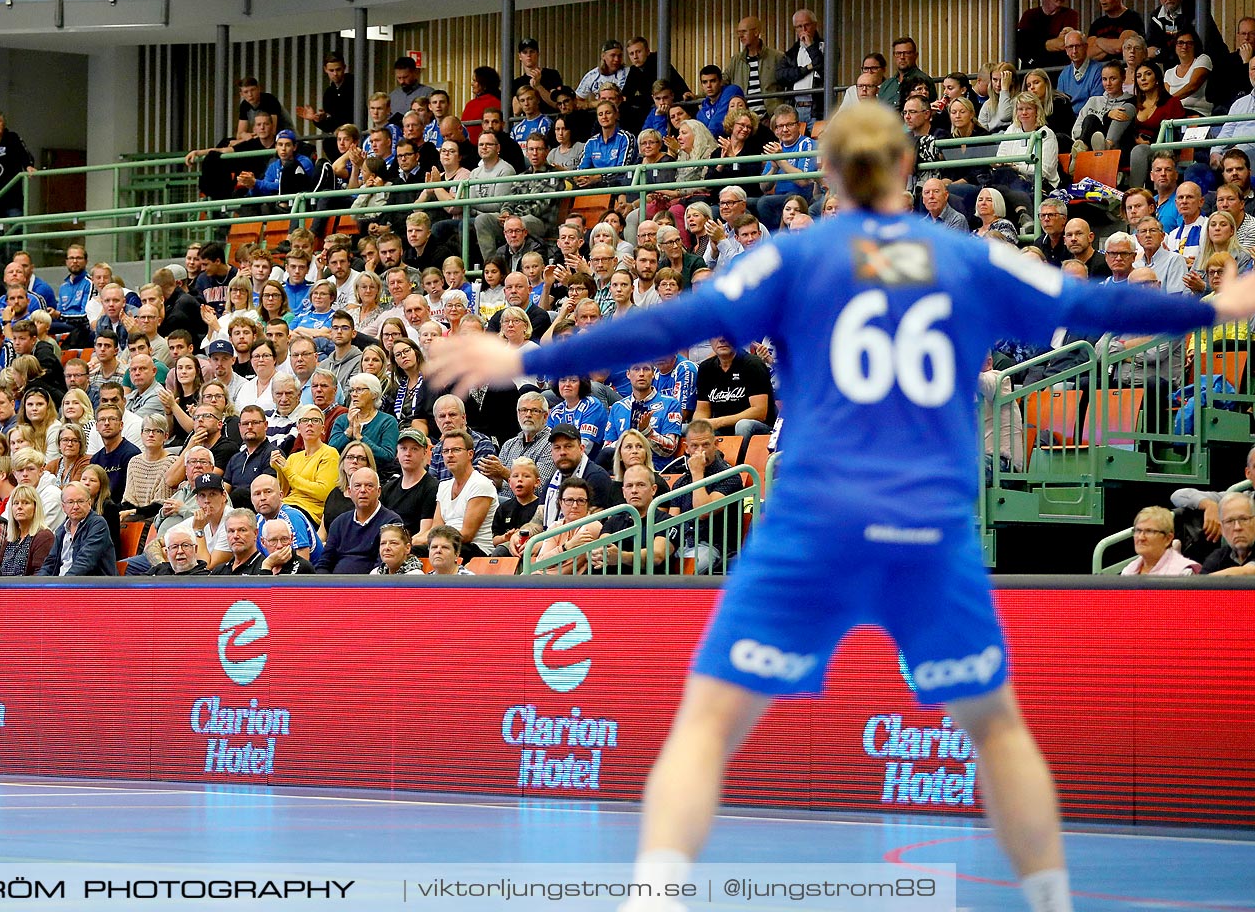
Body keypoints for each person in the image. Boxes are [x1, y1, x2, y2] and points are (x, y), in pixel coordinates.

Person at [427, 99, 1255, 912]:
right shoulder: (967, 258)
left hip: (814, 522)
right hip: (928, 531)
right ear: (907, 168)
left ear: (828, 175)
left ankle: (654, 898)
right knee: (997, 730)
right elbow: (1091, 305)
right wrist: (1213, 308)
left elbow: (676, 321)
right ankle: (1050, 902)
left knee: (707, 722)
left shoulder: (792, 258)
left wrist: (528, 352)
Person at [1119, 506, 1200, 576]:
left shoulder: (1183, 573)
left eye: (1149, 531)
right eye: (1138, 530)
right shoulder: (1128, 571)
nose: (1141, 537)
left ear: (1168, 538)